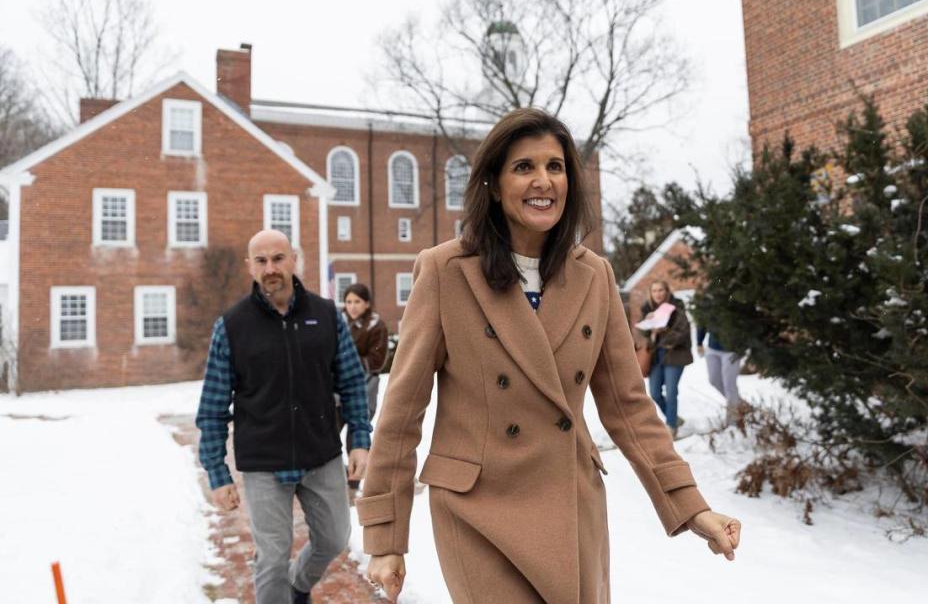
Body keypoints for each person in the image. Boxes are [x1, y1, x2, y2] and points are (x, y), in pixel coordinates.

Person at [357, 108, 741, 603]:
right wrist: (386, 538)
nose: (544, 181)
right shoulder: (445, 271)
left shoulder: (595, 276)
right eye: (524, 167)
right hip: (477, 511)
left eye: (555, 167)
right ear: (494, 183)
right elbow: (402, 411)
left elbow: (629, 406)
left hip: (571, 503)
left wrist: (691, 506)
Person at [195, 229, 372, 604]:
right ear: (250, 266)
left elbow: (354, 382)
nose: (271, 268)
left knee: (334, 539)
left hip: (320, 453)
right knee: (271, 558)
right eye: (261, 260)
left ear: (294, 259)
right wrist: (217, 473)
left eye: (278, 258)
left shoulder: (326, 316)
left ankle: (298, 584)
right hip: (264, 462)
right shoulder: (231, 327)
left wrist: (359, 439)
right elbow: (212, 407)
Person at [638, 281, 694, 439]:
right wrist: (650, 328)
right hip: (655, 356)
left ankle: (671, 426)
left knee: (671, 391)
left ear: (667, 291)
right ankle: (674, 418)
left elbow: (682, 331)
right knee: (654, 393)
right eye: (654, 290)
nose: (657, 294)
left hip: (675, 354)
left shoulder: (677, 306)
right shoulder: (647, 308)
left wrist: (664, 331)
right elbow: (643, 333)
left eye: (660, 290)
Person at [342, 283, 389, 420]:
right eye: (348, 302)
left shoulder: (376, 327)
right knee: (328, 435)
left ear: (367, 304)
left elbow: (377, 361)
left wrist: (346, 361)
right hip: (337, 389)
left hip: (364, 387)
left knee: (357, 437)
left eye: (357, 301)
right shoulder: (337, 323)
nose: (352, 306)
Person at [696, 324, 743, 426]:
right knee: (714, 380)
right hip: (713, 348)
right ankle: (741, 404)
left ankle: (732, 422)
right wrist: (699, 342)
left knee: (729, 385)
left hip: (732, 350)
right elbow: (702, 320)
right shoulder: (709, 307)